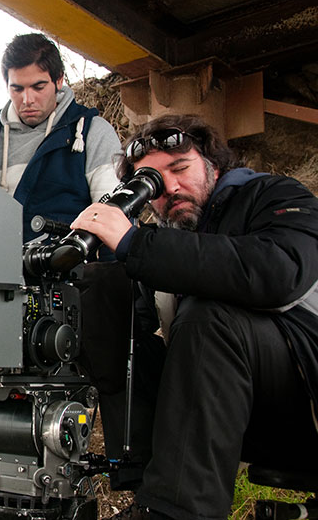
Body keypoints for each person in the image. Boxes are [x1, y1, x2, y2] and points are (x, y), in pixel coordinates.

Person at [69, 113, 318, 520]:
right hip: (226, 411)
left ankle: (176, 512)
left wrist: (137, 244)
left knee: (209, 316)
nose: (170, 187)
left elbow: (279, 272)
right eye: (153, 182)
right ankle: (149, 492)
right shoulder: (169, 237)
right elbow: (132, 328)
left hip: (304, 403)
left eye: (180, 168)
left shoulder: (272, 194)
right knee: (108, 316)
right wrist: (83, 279)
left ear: (212, 164)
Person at [0, 32, 122, 242]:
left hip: (68, 262)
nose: (27, 99)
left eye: (38, 87)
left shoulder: (93, 132)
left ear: (59, 80)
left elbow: (114, 221)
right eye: (17, 89)